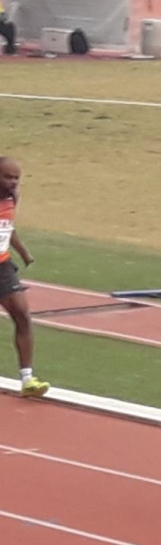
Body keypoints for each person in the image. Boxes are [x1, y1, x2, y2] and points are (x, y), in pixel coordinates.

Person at [0, 157, 49, 398]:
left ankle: (27, 379)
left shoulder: (12, 198)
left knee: (22, 316)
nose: (12, 183)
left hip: (2, 267)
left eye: (16, 178)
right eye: (7, 177)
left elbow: (7, 227)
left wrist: (23, 252)